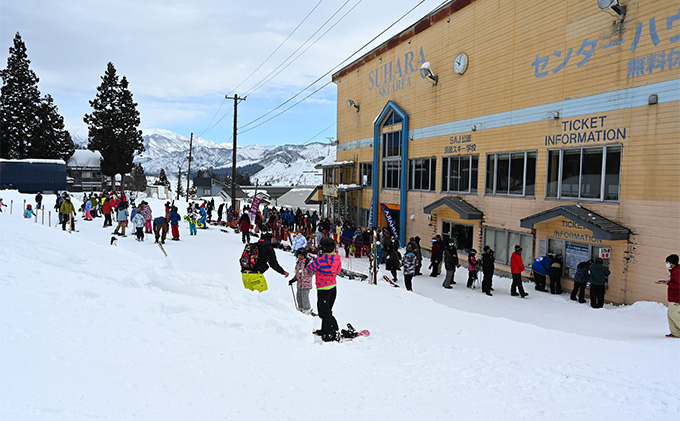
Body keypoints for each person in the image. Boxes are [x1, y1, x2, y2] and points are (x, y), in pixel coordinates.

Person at [308, 237, 341, 342]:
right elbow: (338, 270)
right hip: (333, 287)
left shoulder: (320, 260)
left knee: (323, 312)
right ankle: (325, 330)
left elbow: (310, 268)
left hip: (323, 289)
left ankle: (334, 330)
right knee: (327, 310)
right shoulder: (337, 258)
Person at [658, 254, 680, 338]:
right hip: (673, 297)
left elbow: (678, 285)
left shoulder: (676, 272)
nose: (667, 264)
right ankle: (675, 333)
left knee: (674, 315)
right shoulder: (675, 270)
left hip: (676, 297)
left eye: (667, 262)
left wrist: (668, 283)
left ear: (672, 263)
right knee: (671, 315)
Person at [289, 247, 314, 314]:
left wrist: (311, 270)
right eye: (299, 255)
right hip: (299, 284)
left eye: (301, 255)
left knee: (304, 297)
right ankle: (300, 308)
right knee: (299, 297)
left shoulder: (307, 263)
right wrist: (293, 280)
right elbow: (297, 274)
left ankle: (307, 309)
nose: (300, 257)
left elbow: (313, 272)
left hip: (306, 284)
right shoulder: (298, 263)